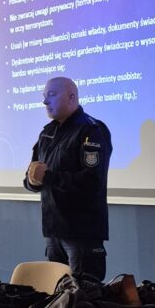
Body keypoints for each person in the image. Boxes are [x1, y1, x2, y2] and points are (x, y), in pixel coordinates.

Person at [24, 76, 112, 280]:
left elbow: (92, 181)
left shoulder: (91, 130)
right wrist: (32, 181)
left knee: (83, 297)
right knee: (57, 295)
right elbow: (33, 177)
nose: (45, 101)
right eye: (44, 96)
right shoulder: (47, 133)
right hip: (53, 233)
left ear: (71, 97)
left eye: (52, 95)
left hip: (81, 235)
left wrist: (47, 177)